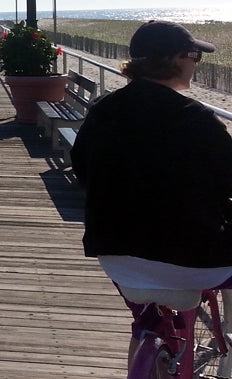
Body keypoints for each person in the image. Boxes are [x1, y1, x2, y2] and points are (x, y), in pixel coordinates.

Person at [72, 21, 232, 371]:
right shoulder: (199, 120)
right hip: (195, 261)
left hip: (118, 258)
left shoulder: (102, 111)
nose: (196, 64)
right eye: (194, 56)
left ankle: (146, 344)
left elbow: (81, 168)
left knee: (144, 323)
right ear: (175, 60)